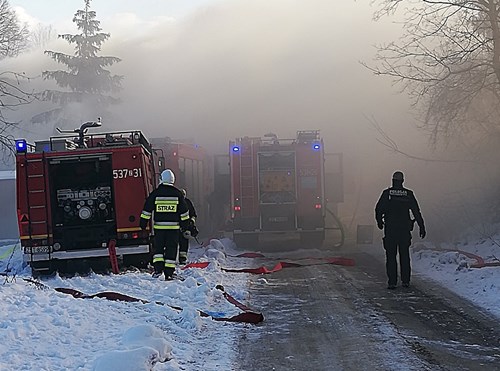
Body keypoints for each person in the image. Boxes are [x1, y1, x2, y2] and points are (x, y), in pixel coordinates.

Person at [375, 171, 426, 289]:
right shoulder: (408, 194)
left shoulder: (387, 194)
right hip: (404, 230)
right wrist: (421, 226)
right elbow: (416, 211)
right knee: (404, 255)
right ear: (402, 181)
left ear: (392, 180)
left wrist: (379, 222)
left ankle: (392, 282)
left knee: (391, 256)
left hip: (391, 230)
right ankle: (405, 281)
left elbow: (378, 209)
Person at [140, 169, 190, 280]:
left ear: (161, 179)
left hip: (159, 229)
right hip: (173, 230)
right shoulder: (177, 194)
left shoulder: (156, 193)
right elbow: (185, 213)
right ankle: (169, 273)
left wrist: (143, 224)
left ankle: (158, 270)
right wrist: (184, 226)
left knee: (158, 250)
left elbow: (147, 209)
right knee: (171, 249)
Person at [178, 188, 199, 265]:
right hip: (178, 226)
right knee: (177, 243)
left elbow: (193, 214)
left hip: (183, 227)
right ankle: (177, 258)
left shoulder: (187, 202)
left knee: (184, 243)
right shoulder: (182, 202)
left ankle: (182, 258)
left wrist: (191, 223)